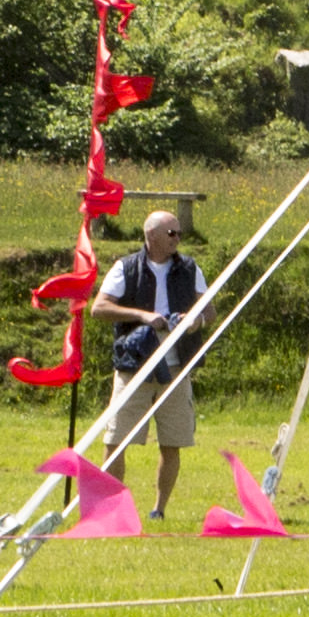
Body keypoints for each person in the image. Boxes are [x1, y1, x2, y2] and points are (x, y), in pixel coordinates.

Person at [94, 200, 209, 512]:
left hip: (175, 369)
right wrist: (143, 316)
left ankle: (159, 510)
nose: (177, 239)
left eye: (180, 234)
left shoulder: (189, 268)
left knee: (173, 442)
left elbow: (208, 310)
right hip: (135, 367)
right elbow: (99, 308)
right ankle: (111, 509)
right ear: (152, 236)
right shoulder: (125, 267)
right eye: (172, 233)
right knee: (116, 441)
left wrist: (193, 321)